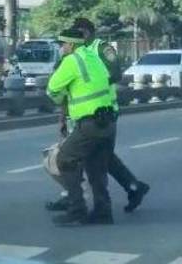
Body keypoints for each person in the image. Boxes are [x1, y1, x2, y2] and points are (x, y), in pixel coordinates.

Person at [46, 18, 150, 215]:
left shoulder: (100, 48)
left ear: (84, 33)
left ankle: (76, 201)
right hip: (82, 109)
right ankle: (125, 191)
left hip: (100, 109)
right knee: (98, 158)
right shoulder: (77, 54)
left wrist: (90, 82)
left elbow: (115, 73)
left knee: (80, 157)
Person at [45, 23, 119, 226]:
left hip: (89, 123)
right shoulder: (95, 57)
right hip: (109, 121)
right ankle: (104, 212)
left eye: (62, 44)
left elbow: (52, 89)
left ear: (70, 44)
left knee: (65, 160)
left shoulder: (71, 61)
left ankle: (76, 209)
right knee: (97, 167)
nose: (61, 48)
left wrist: (61, 99)